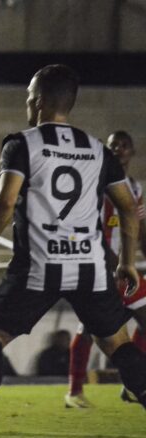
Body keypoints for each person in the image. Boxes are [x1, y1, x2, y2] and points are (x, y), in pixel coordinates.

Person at [0, 64, 146, 438]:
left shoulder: (22, 143)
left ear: (35, 101)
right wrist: (127, 261)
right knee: (118, 343)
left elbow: (5, 201)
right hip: (91, 267)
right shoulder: (97, 148)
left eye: (28, 97)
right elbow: (128, 206)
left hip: (40, 265)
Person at [66, 130, 146, 407]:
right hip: (99, 267)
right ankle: (75, 392)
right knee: (90, 329)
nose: (119, 149)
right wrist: (113, 265)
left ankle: (134, 384)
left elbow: (139, 230)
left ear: (132, 151)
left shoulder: (135, 188)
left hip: (124, 271)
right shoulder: (95, 185)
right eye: (114, 145)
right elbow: (92, 229)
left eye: (125, 145)